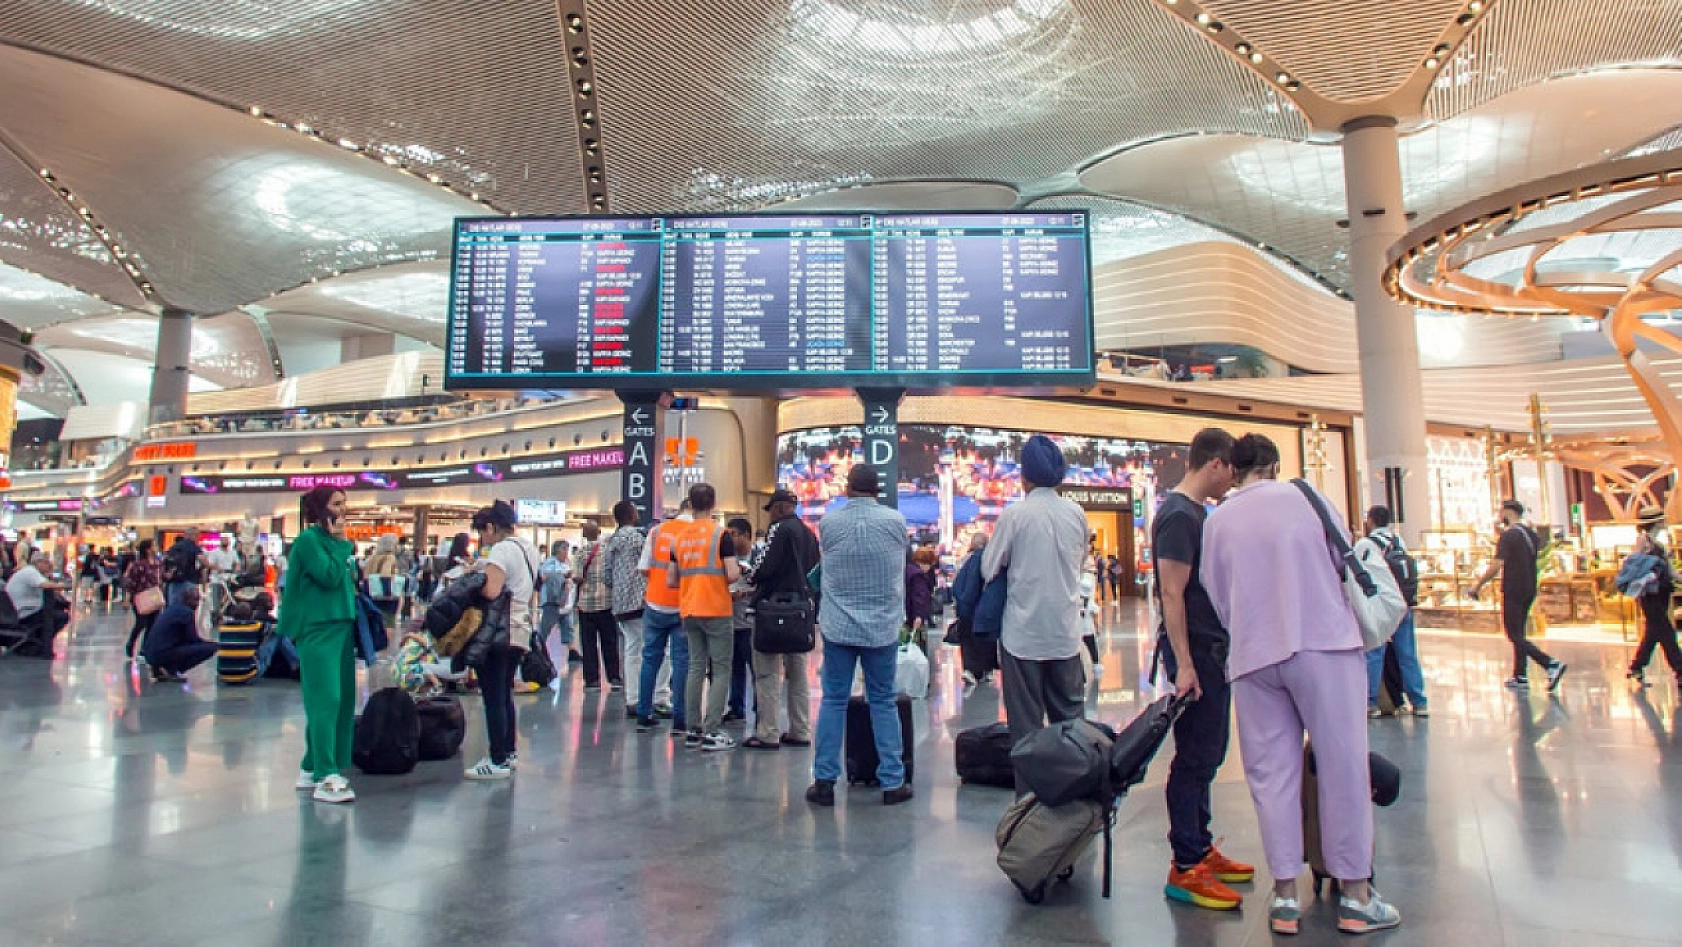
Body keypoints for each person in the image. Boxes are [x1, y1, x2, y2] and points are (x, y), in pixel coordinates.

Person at [1200, 433, 1400, 936]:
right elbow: (1342, 562)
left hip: (1253, 655)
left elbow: (1217, 593)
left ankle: (1286, 896)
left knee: (1272, 776)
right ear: (1274, 465)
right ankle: (1356, 896)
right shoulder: (1308, 499)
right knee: (1343, 767)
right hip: (1323, 643)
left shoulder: (1217, 520)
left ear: (1233, 470)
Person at [1153, 427, 1253, 911]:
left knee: (1209, 752)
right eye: (1231, 470)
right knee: (1195, 755)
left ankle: (1200, 844)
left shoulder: (1196, 513)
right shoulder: (1178, 516)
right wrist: (1185, 664)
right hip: (1195, 654)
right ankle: (1186, 862)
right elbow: (1171, 593)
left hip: (1211, 651)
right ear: (1215, 463)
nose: (1232, 480)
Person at [981, 434, 1088, 793]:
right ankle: (1075, 797)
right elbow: (1080, 563)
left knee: (1026, 730)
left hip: (1022, 635)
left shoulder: (1015, 515)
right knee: (1071, 724)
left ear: (1024, 477)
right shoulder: (1076, 513)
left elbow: (989, 568)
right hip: (1065, 634)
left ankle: (1030, 805)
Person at [807, 465, 912, 806]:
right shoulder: (896, 522)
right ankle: (892, 782)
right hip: (881, 626)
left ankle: (824, 781)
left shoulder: (829, 523)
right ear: (877, 490)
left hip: (839, 625)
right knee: (883, 701)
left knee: (833, 701)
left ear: (848, 488)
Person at [278, 486, 360, 805]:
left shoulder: (329, 542)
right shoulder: (308, 541)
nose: (343, 509)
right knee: (326, 699)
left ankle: (312, 766)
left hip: (340, 625)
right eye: (337, 504)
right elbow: (328, 576)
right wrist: (342, 545)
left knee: (340, 699)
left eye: (344, 503)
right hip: (317, 627)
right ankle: (326, 773)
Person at [462, 500, 540, 781]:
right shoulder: (528, 548)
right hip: (519, 628)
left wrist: (473, 578)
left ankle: (497, 759)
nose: (483, 538)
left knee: (493, 696)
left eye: (482, 532)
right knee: (504, 693)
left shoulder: (502, 549)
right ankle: (508, 752)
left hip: (498, 629)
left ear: (491, 527)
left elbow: (491, 591)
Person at [743, 488, 818, 751]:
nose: (770, 515)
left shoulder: (779, 529)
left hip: (773, 610)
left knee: (767, 673)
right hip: (800, 610)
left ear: (778, 507)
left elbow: (765, 566)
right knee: (798, 674)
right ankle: (801, 729)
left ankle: (768, 732)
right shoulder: (809, 534)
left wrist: (750, 575)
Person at [669, 483, 742, 752]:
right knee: (721, 669)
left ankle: (692, 729)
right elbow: (732, 574)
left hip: (689, 608)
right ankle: (712, 731)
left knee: (695, 667)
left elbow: (671, 580)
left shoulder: (679, 538)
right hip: (716, 608)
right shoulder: (720, 535)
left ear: (690, 504)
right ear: (713, 504)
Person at [1470, 500, 1567, 691]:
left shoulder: (1509, 535)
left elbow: (1497, 565)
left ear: (1508, 512)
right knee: (1519, 632)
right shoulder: (1531, 534)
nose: (1499, 516)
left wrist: (1477, 585)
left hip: (1513, 588)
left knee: (1513, 633)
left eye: (1501, 511)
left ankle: (1550, 664)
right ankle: (1520, 674)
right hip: (1529, 586)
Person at [1357, 506, 1428, 717]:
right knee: (1407, 654)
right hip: (1403, 605)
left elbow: (1353, 571)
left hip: (1382, 607)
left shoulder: (1365, 545)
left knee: (1375, 652)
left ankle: (1371, 702)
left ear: (1370, 521)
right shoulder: (1398, 541)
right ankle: (1419, 702)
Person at [635, 503, 691, 734]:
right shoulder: (696, 533)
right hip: (684, 604)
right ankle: (680, 720)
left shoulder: (656, 532)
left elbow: (643, 569)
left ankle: (643, 714)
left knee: (649, 659)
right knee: (682, 662)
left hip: (655, 603)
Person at [604, 500, 661, 717]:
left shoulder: (612, 540)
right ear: (630, 515)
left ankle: (632, 697)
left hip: (620, 603)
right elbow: (649, 565)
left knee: (630, 649)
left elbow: (607, 575)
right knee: (647, 650)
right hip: (639, 600)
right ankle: (646, 697)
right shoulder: (638, 538)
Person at [1625, 506, 1682, 687]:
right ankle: (1680, 670)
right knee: (1666, 632)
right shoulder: (1644, 542)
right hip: (1650, 595)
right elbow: (1636, 566)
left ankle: (1636, 667)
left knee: (1653, 632)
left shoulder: (1659, 545)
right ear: (1656, 522)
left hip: (1661, 593)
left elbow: (1670, 571)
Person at [572, 522, 621, 691]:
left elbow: (577, 577)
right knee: (610, 642)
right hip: (607, 603)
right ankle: (614, 677)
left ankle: (592, 680)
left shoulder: (580, 553)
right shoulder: (608, 550)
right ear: (599, 532)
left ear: (584, 534)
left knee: (588, 644)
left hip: (586, 605)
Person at [951, 533, 999, 685]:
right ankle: (987, 669)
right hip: (985, 608)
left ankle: (971, 669)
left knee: (968, 641)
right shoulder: (990, 560)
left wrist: (961, 603)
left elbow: (960, 585)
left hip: (967, 608)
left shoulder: (966, 559)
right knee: (985, 640)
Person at [142, 586, 217, 682]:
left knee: (170, 645)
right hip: (162, 653)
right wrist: (210, 643)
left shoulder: (172, 608)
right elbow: (192, 639)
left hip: (150, 653)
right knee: (210, 648)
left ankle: (158, 668)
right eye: (196, 601)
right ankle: (172, 669)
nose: (198, 604)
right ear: (190, 601)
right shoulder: (187, 613)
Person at [724, 517, 757, 726]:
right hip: (730, 622)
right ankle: (736, 707)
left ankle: (760, 708)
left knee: (756, 668)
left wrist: (745, 593)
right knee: (734, 668)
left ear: (746, 535)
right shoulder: (727, 559)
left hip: (751, 623)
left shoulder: (759, 556)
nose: (730, 539)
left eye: (733, 534)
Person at [6, 551, 68, 653]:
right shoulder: (30, 572)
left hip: (16, 612)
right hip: (24, 613)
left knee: (53, 614)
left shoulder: (28, 571)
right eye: (47, 563)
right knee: (61, 617)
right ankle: (40, 644)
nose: (49, 566)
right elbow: (44, 585)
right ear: (38, 563)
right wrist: (62, 585)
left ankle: (35, 643)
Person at [537, 540, 580, 665]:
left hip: (565, 602)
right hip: (553, 602)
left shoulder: (565, 564)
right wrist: (563, 577)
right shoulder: (550, 564)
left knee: (568, 626)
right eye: (564, 550)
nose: (566, 553)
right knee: (545, 628)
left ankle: (572, 651)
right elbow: (547, 577)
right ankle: (537, 649)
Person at [123, 539, 163, 660]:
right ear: (147, 549)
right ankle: (131, 643)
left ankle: (144, 650)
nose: (156, 547)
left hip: (154, 595)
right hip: (140, 596)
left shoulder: (157, 564)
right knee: (141, 622)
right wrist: (127, 599)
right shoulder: (138, 565)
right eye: (154, 545)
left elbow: (160, 579)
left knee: (153, 624)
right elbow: (131, 582)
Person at [163, 529, 207, 608]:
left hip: (174, 581)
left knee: (174, 607)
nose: (198, 538)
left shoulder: (174, 547)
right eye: (198, 536)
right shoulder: (194, 547)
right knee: (189, 606)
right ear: (194, 535)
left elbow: (165, 561)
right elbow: (203, 561)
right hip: (190, 581)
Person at [904, 547, 937, 651]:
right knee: (917, 644)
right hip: (914, 616)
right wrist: (918, 615)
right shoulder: (918, 575)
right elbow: (919, 596)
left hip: (906, 613)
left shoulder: (907, 569)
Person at [206, 536, 239, 617]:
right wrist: (217, 568)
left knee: (229, 598)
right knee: (216, 600)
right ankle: (216, 616)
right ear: (220, 541)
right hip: (216, 579)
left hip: (229, 579)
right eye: (223, 540)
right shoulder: (214, 552)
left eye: (227, 540)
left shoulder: (233, 552)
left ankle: (227, 614)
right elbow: (209, 564)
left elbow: (237, 563)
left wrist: (235, 572)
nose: (225, 542)